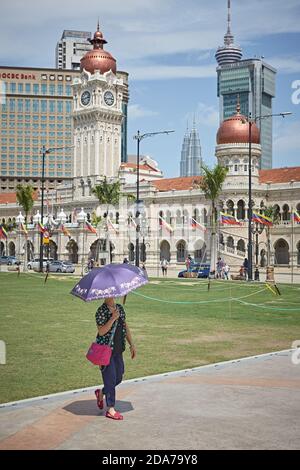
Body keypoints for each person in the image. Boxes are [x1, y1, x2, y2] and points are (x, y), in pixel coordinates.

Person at [94, 297, 136, 420]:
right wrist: (112, 318)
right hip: (106, 351)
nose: (111, 295)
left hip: (118, 349)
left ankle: (101, 393)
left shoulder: (120, 308)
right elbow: (101, 331)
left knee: (118, 377)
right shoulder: (101, 311)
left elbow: (125, 326)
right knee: (110, 378)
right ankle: (110, 408)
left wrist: (131, 344)